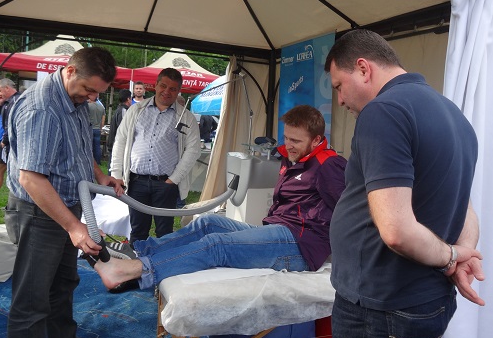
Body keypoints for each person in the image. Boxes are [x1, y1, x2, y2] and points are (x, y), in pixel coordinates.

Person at [324, 29, 484, 338]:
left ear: (363, 68)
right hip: (424, 302)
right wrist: (461, 254)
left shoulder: (384, 111)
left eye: (339, 86)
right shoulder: (454, 116)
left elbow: (396, 231)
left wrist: (450, 257)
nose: (341, 100)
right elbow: (465, 204)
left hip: (379, 306)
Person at [92, 105, 347, 293]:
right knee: (208, 223)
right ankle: (138, 252)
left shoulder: (329, 165)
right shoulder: (293, 158)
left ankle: (132, 270)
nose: (287, 145)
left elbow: (349, 211)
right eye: (286, 138)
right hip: (279, 230)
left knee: (217, 245)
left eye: (295, 141)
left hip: (300, 245)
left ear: (317, 140)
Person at [5, 47, 118, 338]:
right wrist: (73, 226)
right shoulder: (42, 109)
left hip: (65, 210)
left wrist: (99, 176)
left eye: (98, 93)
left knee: (63, 283)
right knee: (31, 301)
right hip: (39, 213)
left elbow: (79, 147)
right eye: (89, 89)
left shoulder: (75, 100)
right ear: (69, 71)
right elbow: (31, 178)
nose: (92, 98)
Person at [110, 68, 201, 244]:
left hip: (165, 184)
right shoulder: (136, 110)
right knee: (138, 231)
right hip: (136, 182)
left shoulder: (186, 117)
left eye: (173, 89)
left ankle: (162, 260)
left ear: (178, 91)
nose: (167, 91)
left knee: (164, 233)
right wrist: (116, 174)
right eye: (163, 86)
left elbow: (193, 149)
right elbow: (120, 141)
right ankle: (137, 260)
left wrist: (174, 179)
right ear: (155, 85)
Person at [0, 79, 20, 205]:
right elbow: (1, 118)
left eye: (0, 90)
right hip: (6, 140)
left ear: (7, 88)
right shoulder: (8, 102)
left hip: (8, 142)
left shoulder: (15, 101)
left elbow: (12, 123)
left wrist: (5, 140)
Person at [87, 94, 105, 165]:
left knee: (89, 146)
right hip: (97, 129)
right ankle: (98, 161)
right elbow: (103, 121)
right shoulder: (101, 107)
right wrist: (100, 128)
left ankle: (90, 161)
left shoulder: (88, 106)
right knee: (97, 146)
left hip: (89, 128)